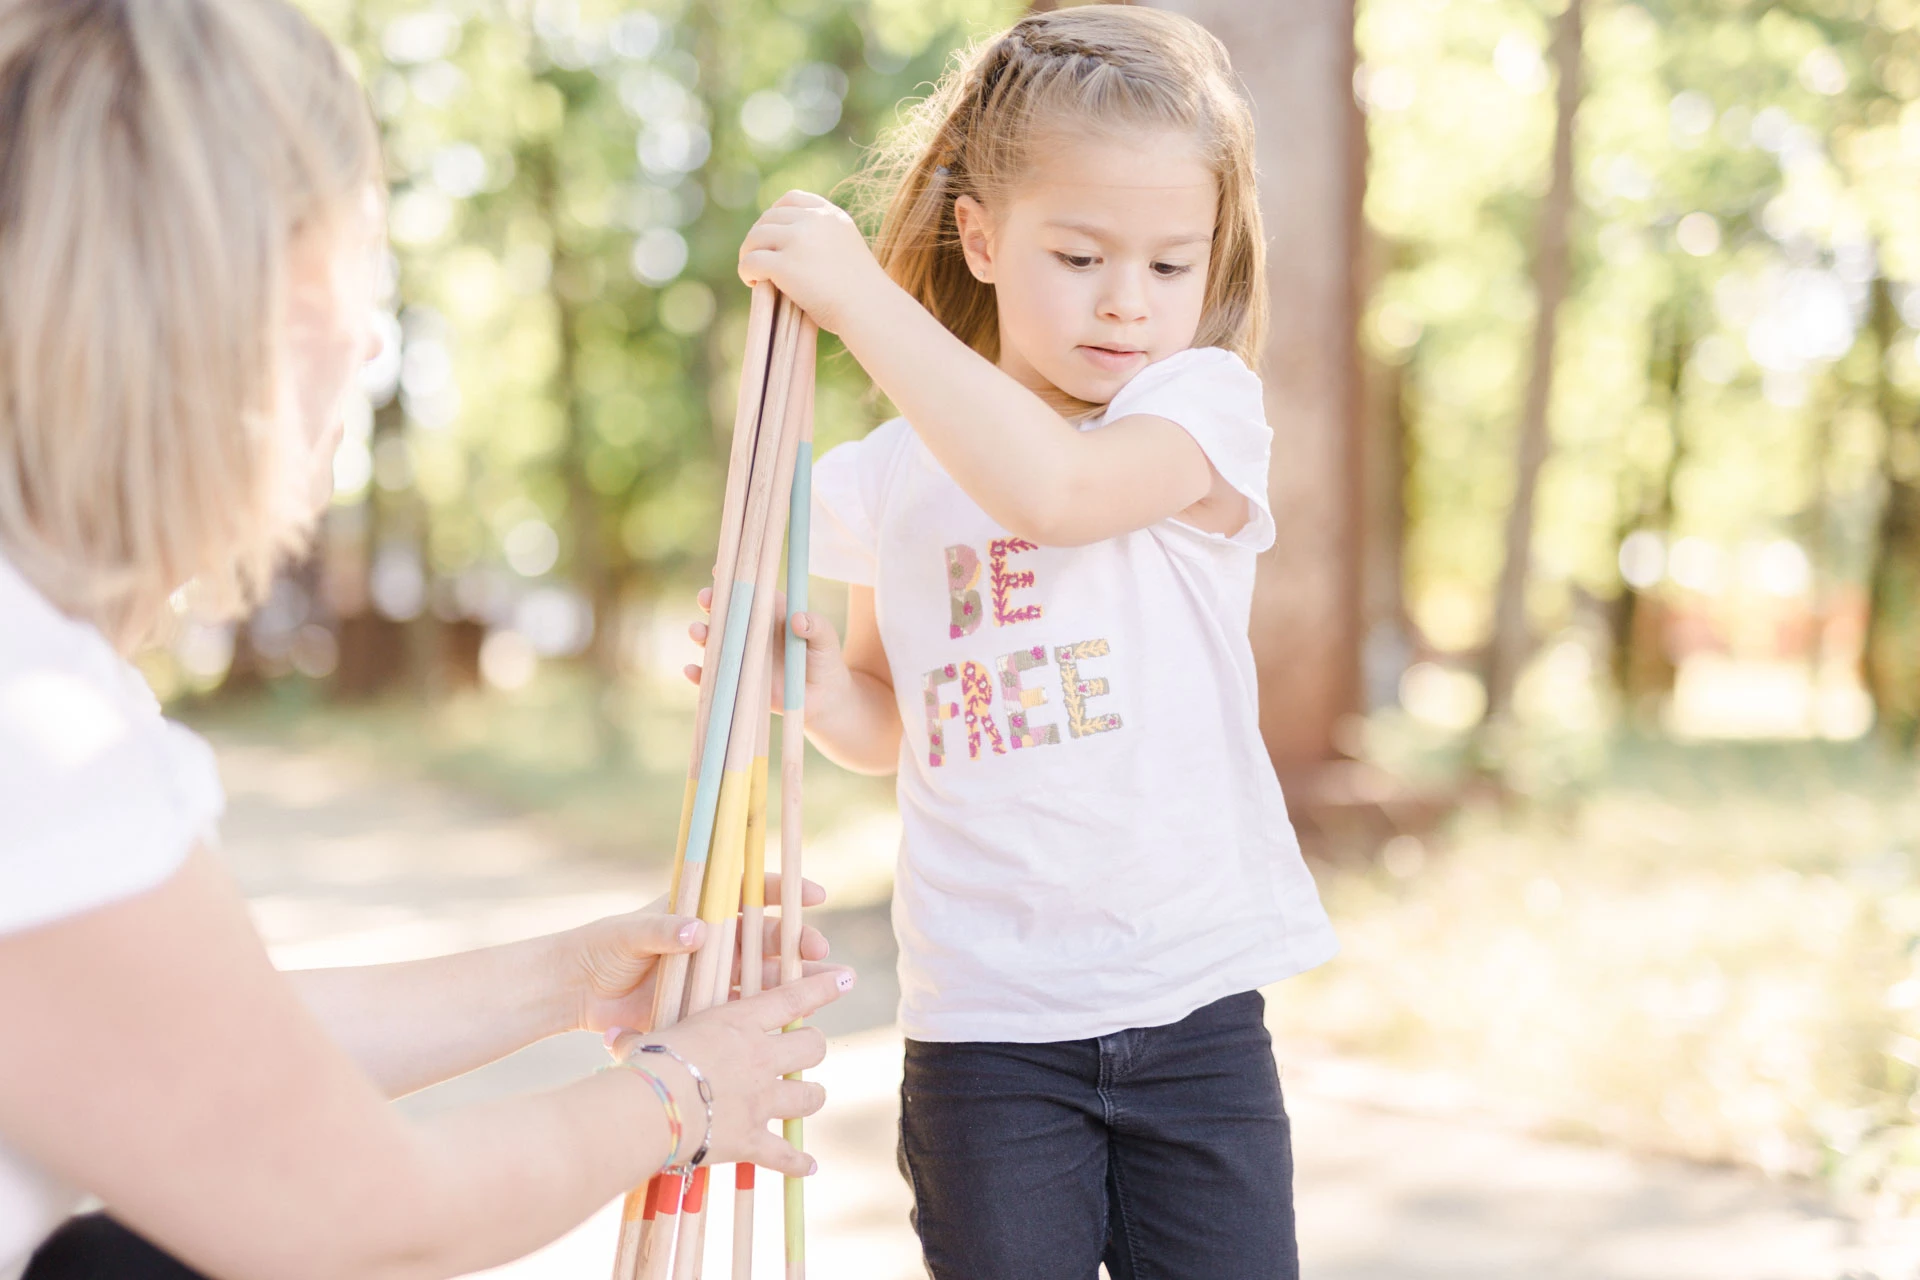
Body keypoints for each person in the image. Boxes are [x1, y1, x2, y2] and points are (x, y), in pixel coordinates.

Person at [0, 3, 850, 1279]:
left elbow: (208, 1061)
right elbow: (352, 1211)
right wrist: (681, 1094)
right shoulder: (39, 728)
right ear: (273, 302)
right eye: (359, 281)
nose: (368, 341)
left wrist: (572, 979)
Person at [715, 7, 1341, 1278]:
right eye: (1081, 255)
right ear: (983, 238)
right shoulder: (892, 477)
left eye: (1173, 267)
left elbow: (1053, 494)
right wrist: (828, 693)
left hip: (1192, 1012)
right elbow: (902, 719)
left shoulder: (1197, 410)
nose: (1130, 304)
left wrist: (858, 305)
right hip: (987, 1031)